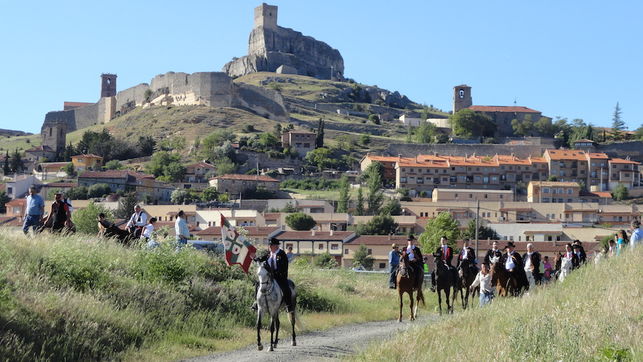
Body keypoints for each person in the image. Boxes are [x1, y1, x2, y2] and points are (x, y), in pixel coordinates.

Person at [255, 238, 294, 312]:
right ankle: (256, 303)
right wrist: (255, 258)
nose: (269, 246)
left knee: (286, 289)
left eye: (271, 245)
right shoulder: (269, 254)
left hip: (280, 277)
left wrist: (275, 273)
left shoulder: (282, 254)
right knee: (257, 284)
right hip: (268, 276)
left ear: (276, 246)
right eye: (269, 245)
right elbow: (260, 259)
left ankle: (289, 306)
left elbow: (284, 267)